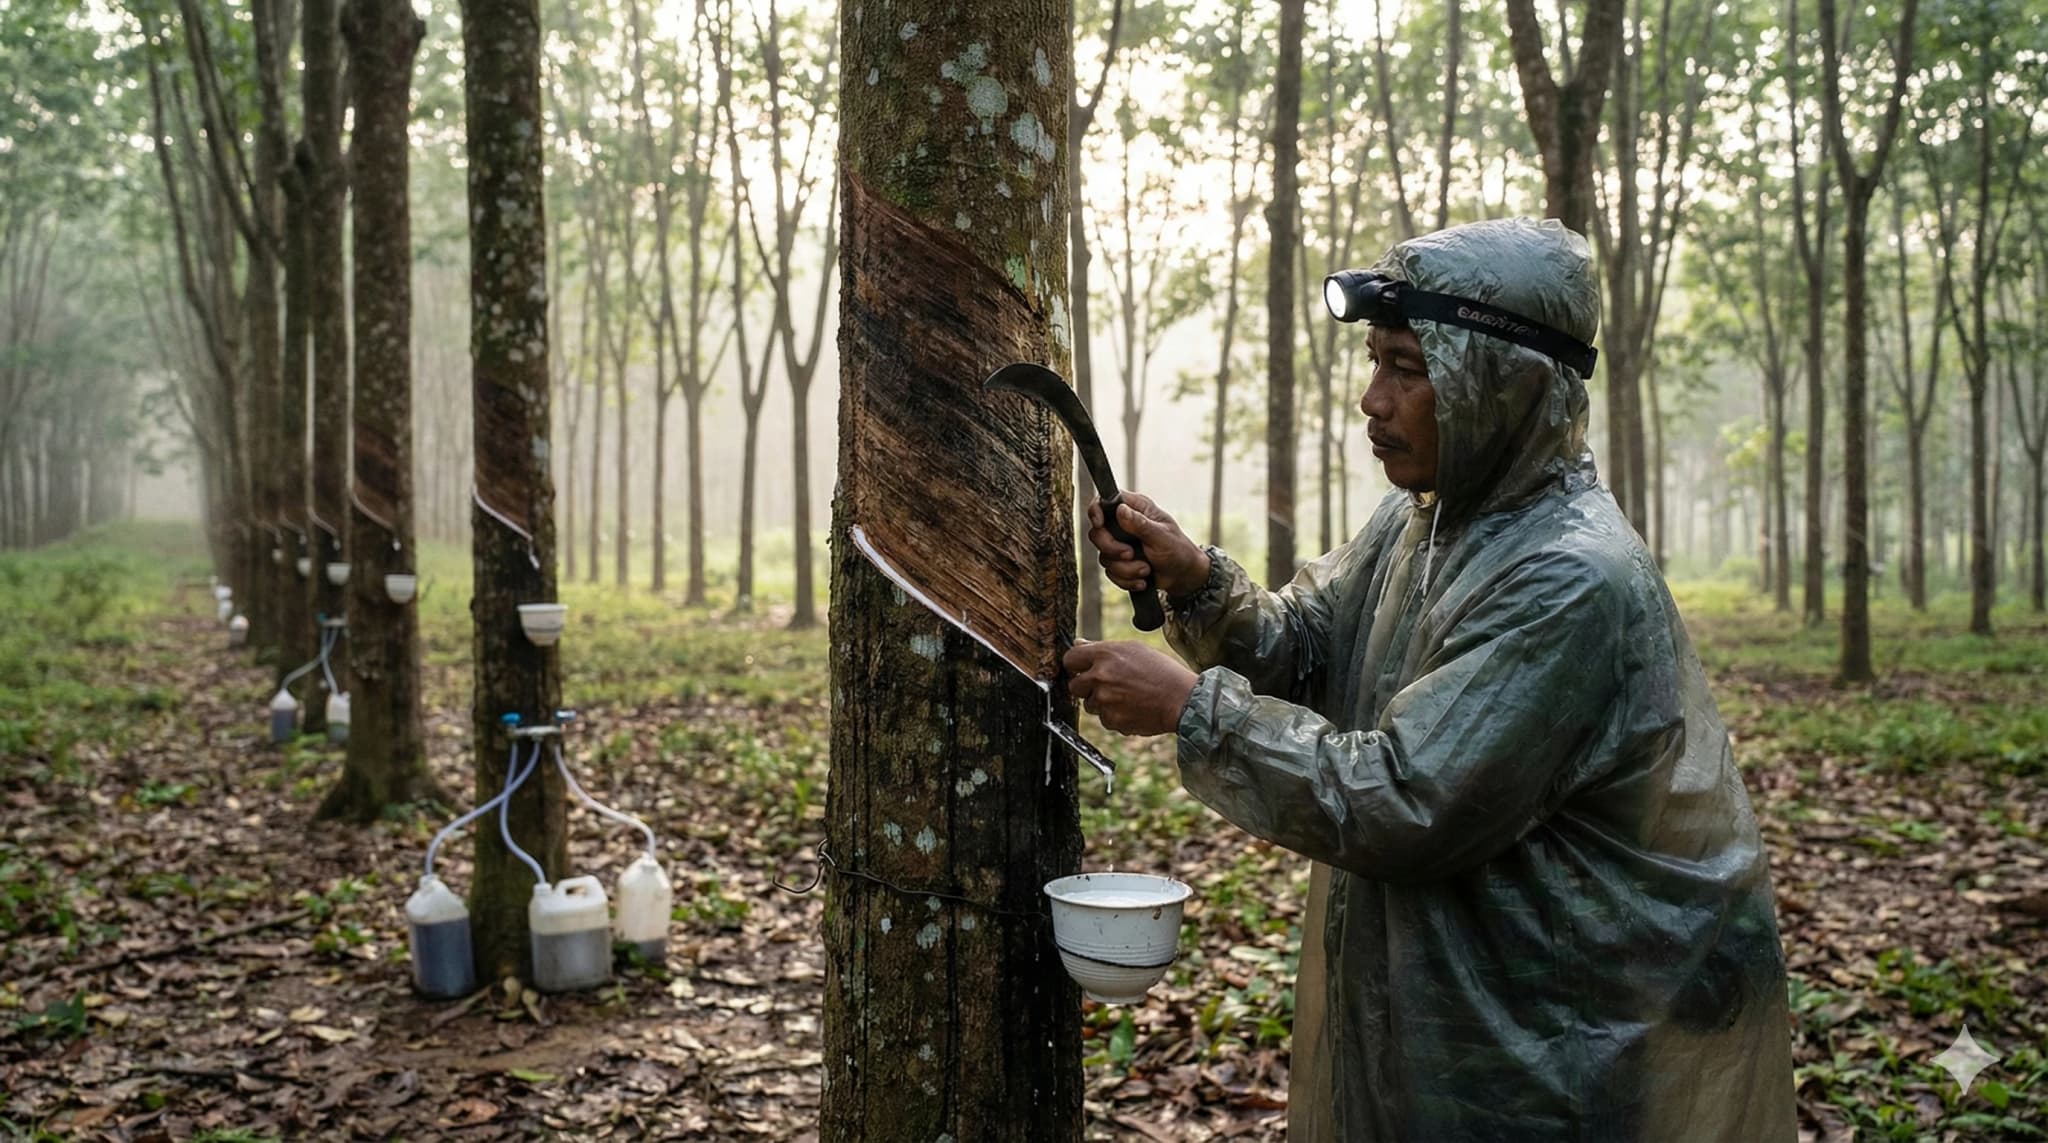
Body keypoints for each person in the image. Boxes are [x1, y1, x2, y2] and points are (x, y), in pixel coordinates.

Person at [1063, 218, 1796, 1141]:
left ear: (1504, 383)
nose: (1373, 399)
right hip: (1441, 1005)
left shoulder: (1568, 576)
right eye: (1375, 363)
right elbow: (1311, 647)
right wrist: (1194, 580)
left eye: (1408, 370)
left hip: (1549, 1040)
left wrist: (1188, 709)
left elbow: (1406, 797)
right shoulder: (1424, 522)